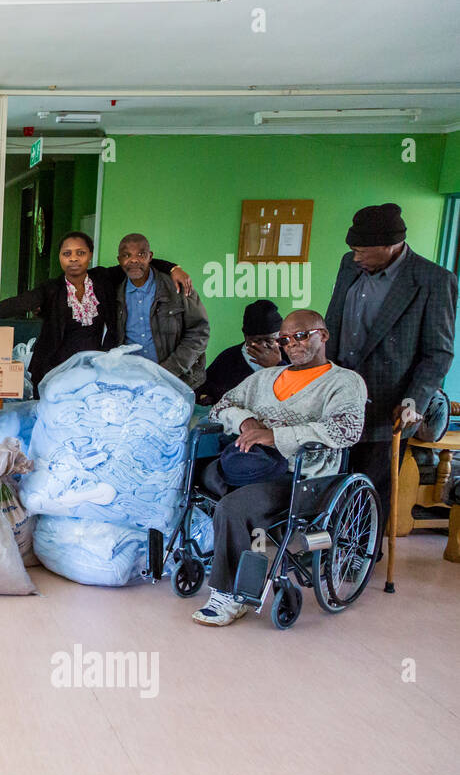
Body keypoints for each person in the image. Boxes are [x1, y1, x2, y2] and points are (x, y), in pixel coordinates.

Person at [192, 311, 367, 627]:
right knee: (197, 477)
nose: (292, 344)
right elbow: (220, 407)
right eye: (284, 339)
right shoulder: (264, 379)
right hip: (252, 466)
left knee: (234, 507)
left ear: (323, 335)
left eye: (301, 335)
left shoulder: (344, 382)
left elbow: (347, 430)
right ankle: (241, 556)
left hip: (303, 475)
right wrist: (245, 421)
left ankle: (230, 595)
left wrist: (276, 436)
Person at [324, 203, 458, 536]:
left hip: (389, 403)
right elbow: (334, 322)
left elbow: (438, 353)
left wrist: (415, 399)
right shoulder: (349, 265)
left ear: (391, 245)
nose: (356, 257)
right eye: (353, 250)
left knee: (372, 487)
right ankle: (327, 550)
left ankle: (360, 555)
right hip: (339, 395)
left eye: (362, 251)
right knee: (331, 481)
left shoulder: (433, 280)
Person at [0, 231, 193, 390]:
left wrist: (174, 268)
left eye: (80, 253)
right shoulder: (52, 288)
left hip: (93, 370)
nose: (73, 258)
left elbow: (136, 262)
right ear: (60, 258)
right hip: (55, 369)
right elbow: (24, 300)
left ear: (89, 255)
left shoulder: (103, 278)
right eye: (67, 254)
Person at [112, 233, 211, 389]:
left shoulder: (178, 287)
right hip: (131, 381)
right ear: (119, 260)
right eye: (126, 255)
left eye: (141, 254)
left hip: (177, 380)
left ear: (150, 256)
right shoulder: (113, 291)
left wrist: (169, 370)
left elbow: (199, 332)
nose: (134, 260)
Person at [197, 299, 286, 406]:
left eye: (269, 340)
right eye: (256, 340)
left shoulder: (290, 354)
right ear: (245, 336)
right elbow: (202, 387)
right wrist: (206, 396)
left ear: (279, 336)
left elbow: (301, 390)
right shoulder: (228, 358)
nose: (262, 345)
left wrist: (277, 366)